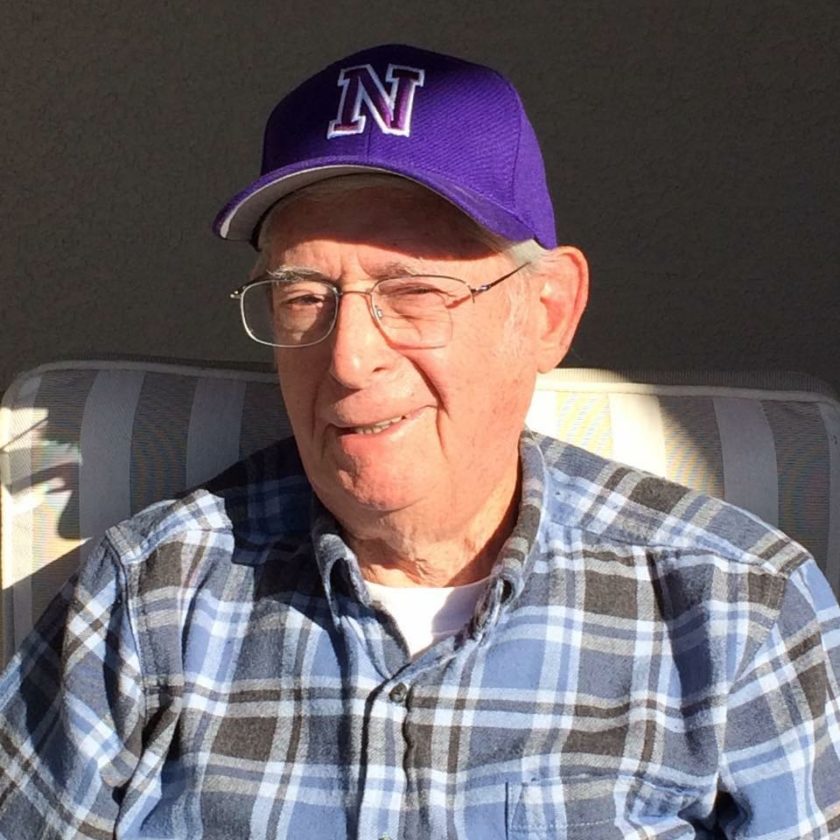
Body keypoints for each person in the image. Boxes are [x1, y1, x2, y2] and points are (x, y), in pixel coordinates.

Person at [1, 43, 838, 840]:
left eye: (414, 291)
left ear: (547, 312)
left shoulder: (738, 612)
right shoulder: (147, 600)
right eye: (304, 296)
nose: (348, 357)